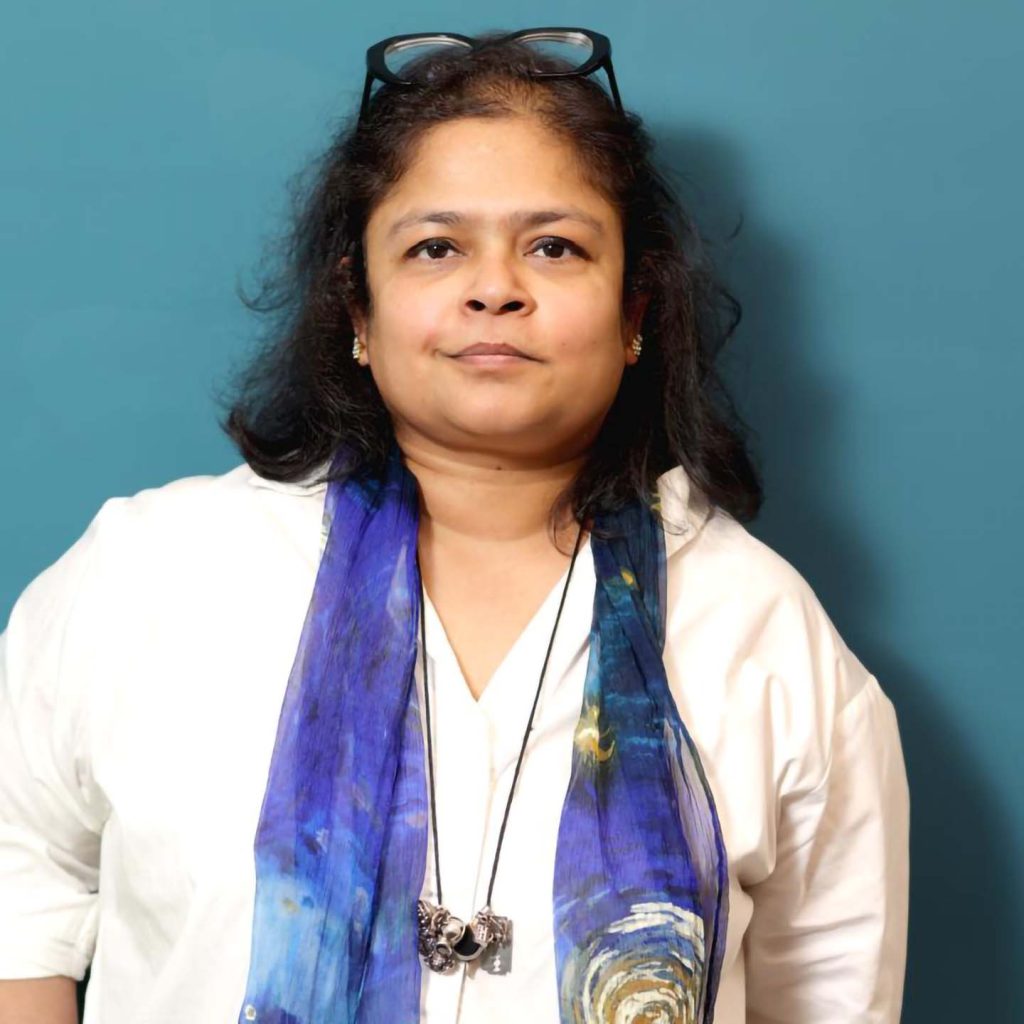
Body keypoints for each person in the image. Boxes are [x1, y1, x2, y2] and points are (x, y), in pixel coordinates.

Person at [0, 28, 909, 1024]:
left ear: (635, 313)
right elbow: (16, 892)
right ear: (358, 308)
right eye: (436, 247)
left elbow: (832, 998)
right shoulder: (152, 573)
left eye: (554, 247)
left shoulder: (766, 634)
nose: (494, 288)